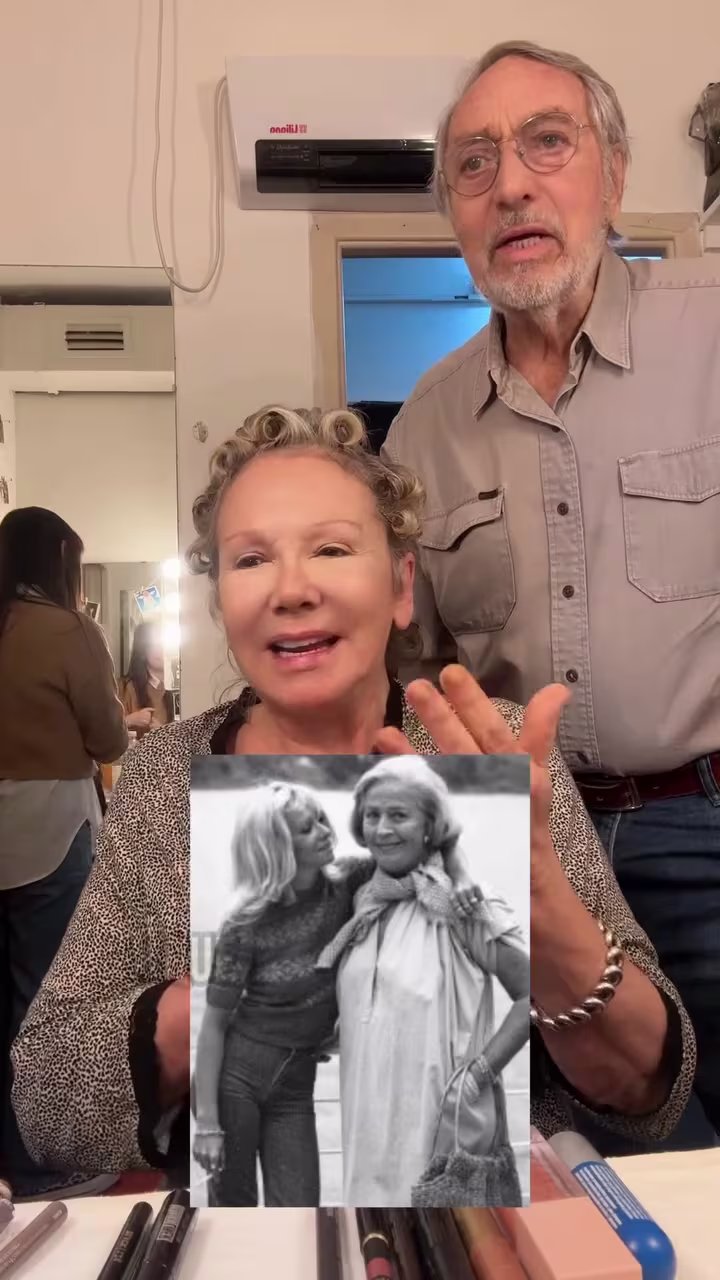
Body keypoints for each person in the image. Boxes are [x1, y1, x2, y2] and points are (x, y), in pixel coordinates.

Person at [10, 409, 693, 1184]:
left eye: (332, 549)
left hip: (476, 1209)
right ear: (221, 604)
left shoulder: (488, 750)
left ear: (402, 586)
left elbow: (648, 1093)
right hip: (262, 1207)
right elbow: (46, 1103)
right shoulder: (167, 775)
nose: (292, 589)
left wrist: (539, 905)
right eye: (251, 559)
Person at [382, 40, 720, 1144]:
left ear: (613, 174)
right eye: (474, 164)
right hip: (531, 853)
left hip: (708, 817)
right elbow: (417, 670)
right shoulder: (423, 424)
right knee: (598, 1169)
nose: (512, 185)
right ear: (455, 215)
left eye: (546, 143)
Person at [192, 778, 475, 1206]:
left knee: (301, 1208)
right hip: (236, 1081)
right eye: (307, 829)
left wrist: (461, 882)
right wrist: (207, 1125)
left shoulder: (348, 881)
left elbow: (429, 846)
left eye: (322, 819)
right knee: (234, 1209)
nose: (326, 831)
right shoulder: (244, 923)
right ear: (277, 847)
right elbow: (213, 1027)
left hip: (295, 1084)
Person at [316, 755, 528, 1206]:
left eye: (399, 815)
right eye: (372, 815)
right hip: (364, 1119)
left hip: (441, 1119)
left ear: (431, 826)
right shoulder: (361, 901)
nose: (382, 829)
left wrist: (479, 1075)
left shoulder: (466, 904)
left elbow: (535, 995)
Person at [0, 506, 128, 1196]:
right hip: (49, 828)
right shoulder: (68, 630)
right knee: (48, 1001)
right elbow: (108, 739)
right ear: (57, 558)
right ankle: (43, 1164)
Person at [119, 621, 173, 738]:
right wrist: (129, 720)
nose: (161, 650)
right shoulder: (126, 687)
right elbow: (106, 731)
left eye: (163, 644)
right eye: (154, 645)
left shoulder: (173, 690)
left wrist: (163, 731)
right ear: (143, 651)